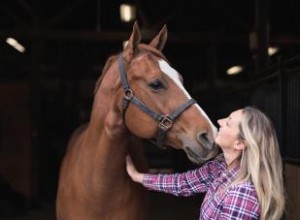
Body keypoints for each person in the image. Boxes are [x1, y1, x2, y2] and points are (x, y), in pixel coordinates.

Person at [126, 106, 285, 220]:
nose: (219, 121)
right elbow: (183, 183)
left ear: (239, 144)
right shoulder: (220, 169)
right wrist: (137, 176)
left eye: (228, 122)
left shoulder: (241, 194)